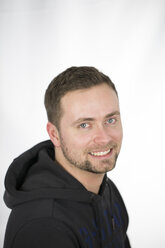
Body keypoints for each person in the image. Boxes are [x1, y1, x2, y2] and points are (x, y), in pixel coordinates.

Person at [3, 66, 131, 248]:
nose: (104, 137)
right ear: (54, 134)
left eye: (110, 120)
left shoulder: (106, 189)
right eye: (85, 125)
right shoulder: (42, 226)